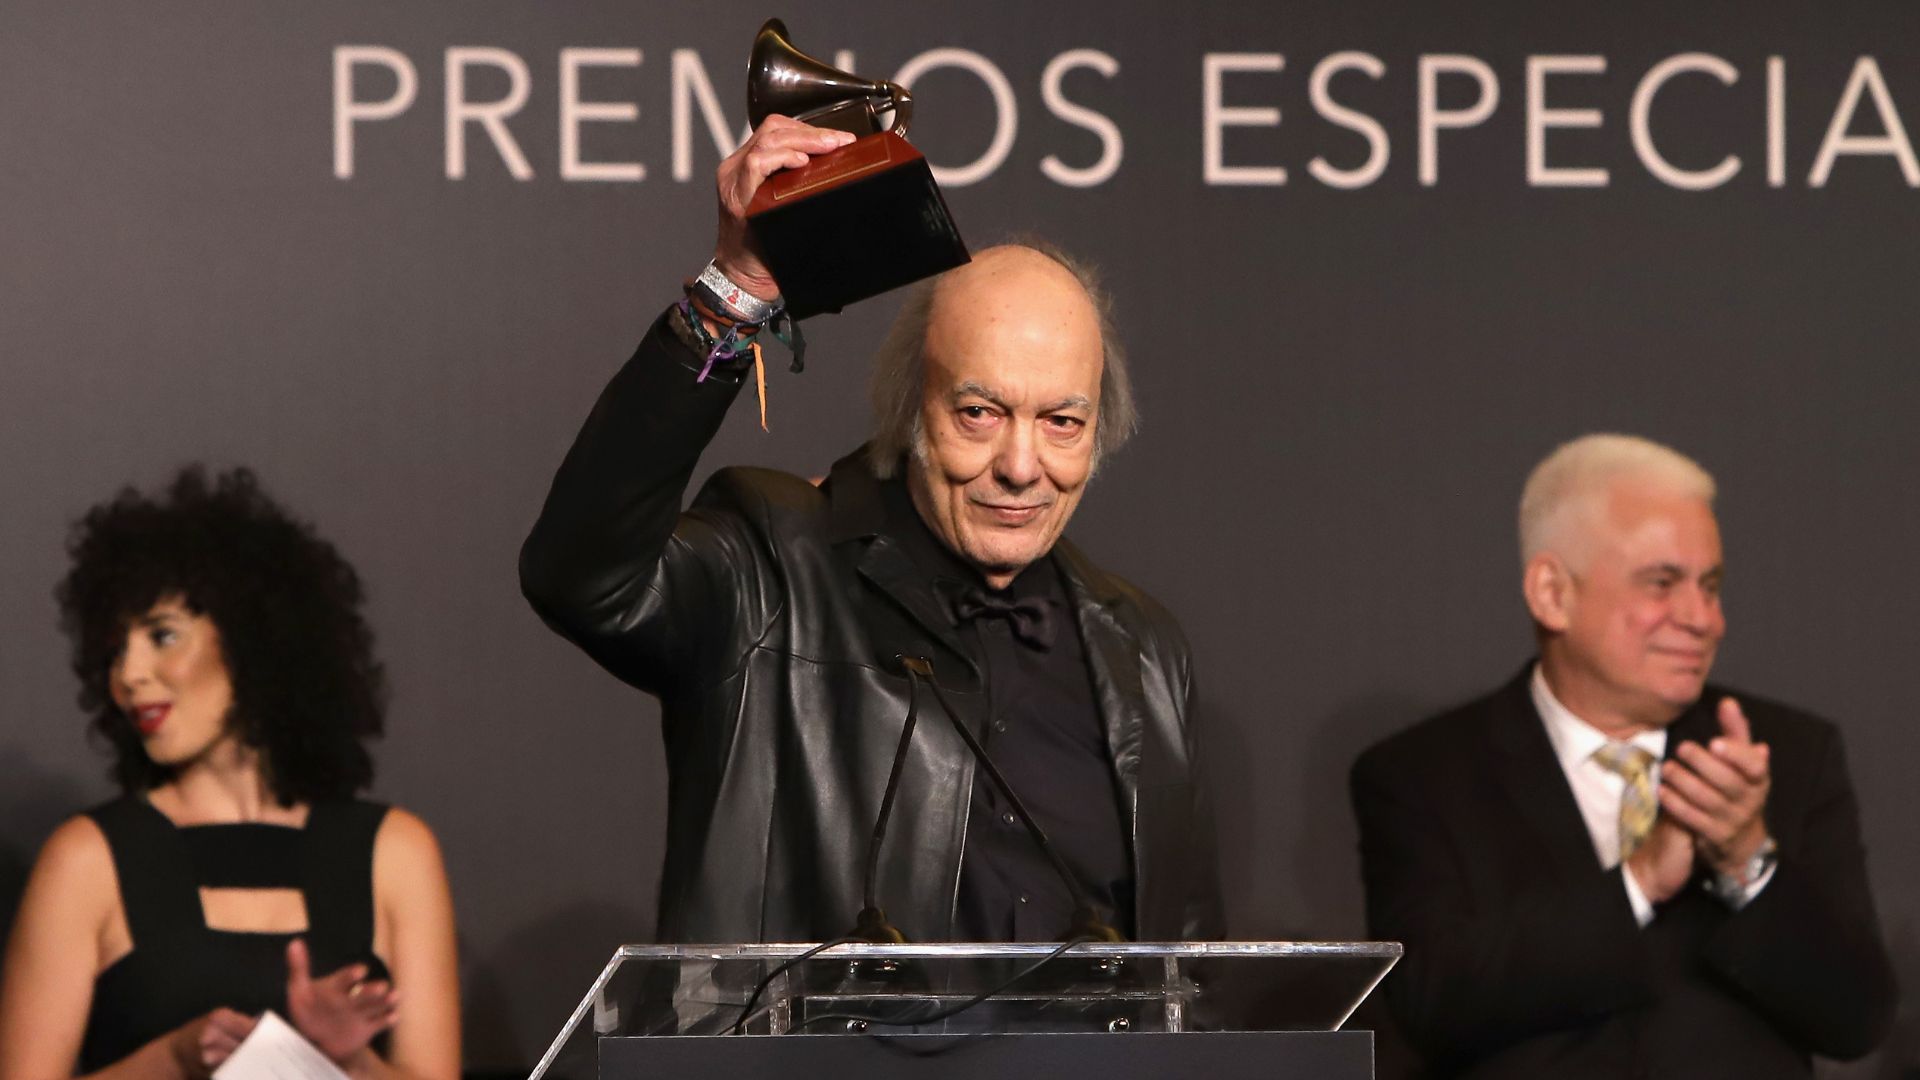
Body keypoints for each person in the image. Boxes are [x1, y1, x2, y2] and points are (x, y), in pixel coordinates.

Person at [519, 115, 1220, 945]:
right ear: (908, 408)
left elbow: (1186, 975)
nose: (1022, 465)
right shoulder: (775, 565)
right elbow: (581, 572)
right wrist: (732, 292)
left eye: (1062, 422)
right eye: (979, 412)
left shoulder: (1142, 647)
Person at [1350, 434, 1898, 1079]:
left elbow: (1857, 1019)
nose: (1703, 619)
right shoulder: (1422, 776)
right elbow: (1430, 1004)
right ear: (1552, 593)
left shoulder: (1785, 756)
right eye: (1661, 583)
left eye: (1712, 586)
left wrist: (1750, 863)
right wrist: (1638, 881)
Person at [0, 467, 460, 1080]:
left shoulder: (395, 854)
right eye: (115, 650)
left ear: (254, 639)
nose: (130, 674)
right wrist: (175, 1057)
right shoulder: (87, 861)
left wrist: (343, 1058)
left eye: (162, 636)